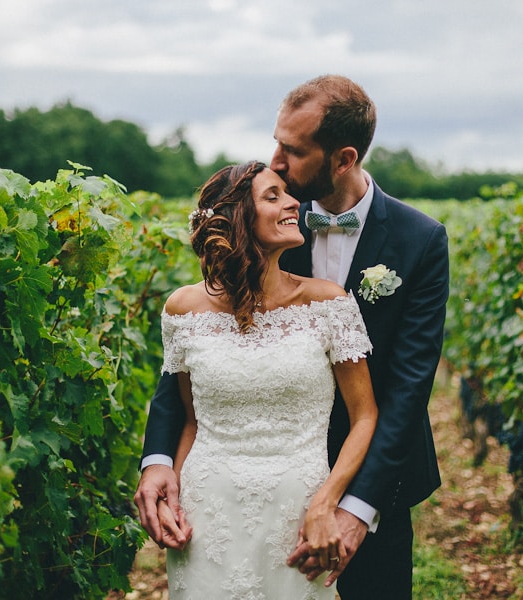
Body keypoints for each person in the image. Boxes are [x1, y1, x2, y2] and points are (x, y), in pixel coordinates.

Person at [136, 74, 449, 599]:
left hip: (372, 486)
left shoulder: (420, 241)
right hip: (230, 492)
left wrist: (353, 509)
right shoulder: (265, 223)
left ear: (343, 159)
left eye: (293, 150)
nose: (275, 160)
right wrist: (158, 462)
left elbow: (407, 389)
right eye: (276, 140)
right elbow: (188, 374)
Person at [148, 160, 378, 598]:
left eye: (287, 194)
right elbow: (193, 420)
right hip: (208, 511)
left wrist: (328, 502)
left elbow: (365, 416)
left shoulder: (328, 303)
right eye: (272, 197)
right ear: (236, 218)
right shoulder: (182, 309)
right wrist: (172, 493)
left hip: (300, 508)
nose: (293, 203)